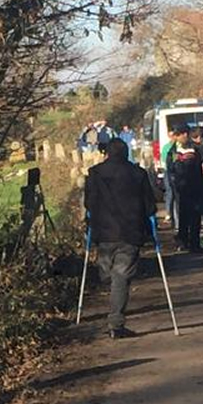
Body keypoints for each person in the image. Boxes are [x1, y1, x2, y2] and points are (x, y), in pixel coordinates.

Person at [85, 138, 157, 338]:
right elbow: (150, 206)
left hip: (104, 232)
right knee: (121, 277)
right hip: (130, 232)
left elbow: (88, 203)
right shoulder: (138, 174)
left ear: (107, 153)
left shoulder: (95, 173)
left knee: (111, 274)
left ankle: (115, 320)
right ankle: (116, 323)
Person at [170, 132, 203, 252]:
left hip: (188, 188)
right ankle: (190, 242)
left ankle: (188, 242)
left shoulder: (176, 150)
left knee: (188, 216)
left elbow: (172, 170)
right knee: (190, 216)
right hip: (188, 187)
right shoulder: (174, 150)